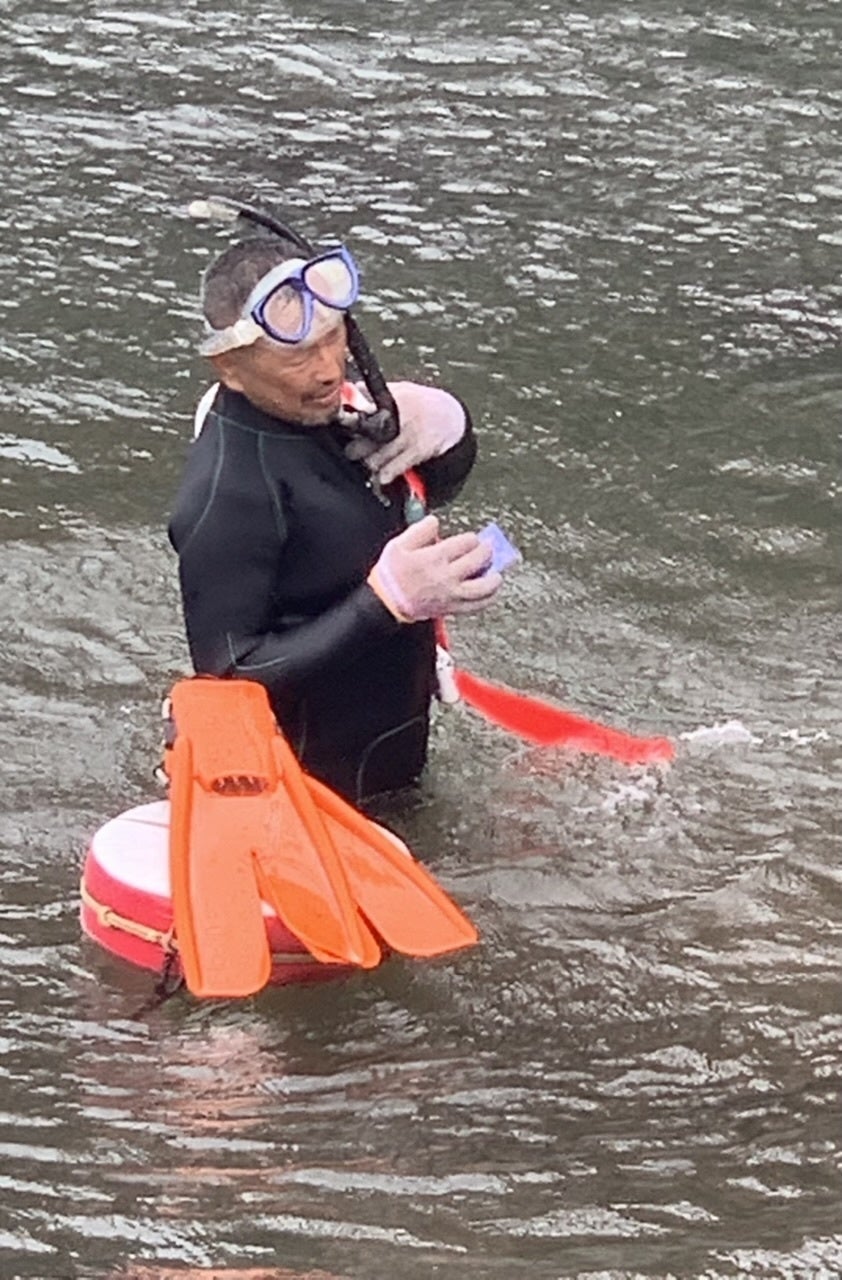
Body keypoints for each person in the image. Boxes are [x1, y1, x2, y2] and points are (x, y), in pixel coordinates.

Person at [169, 232, 501, 803]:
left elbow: (429, 491)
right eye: (299, 355)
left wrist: (452, 425)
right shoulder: (230, 492)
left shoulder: (339, 417)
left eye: (333, 338)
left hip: (398, 768)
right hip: (307, 801)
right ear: (231, 368)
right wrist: (386, 602)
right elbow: (225, 681)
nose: (327, 370)